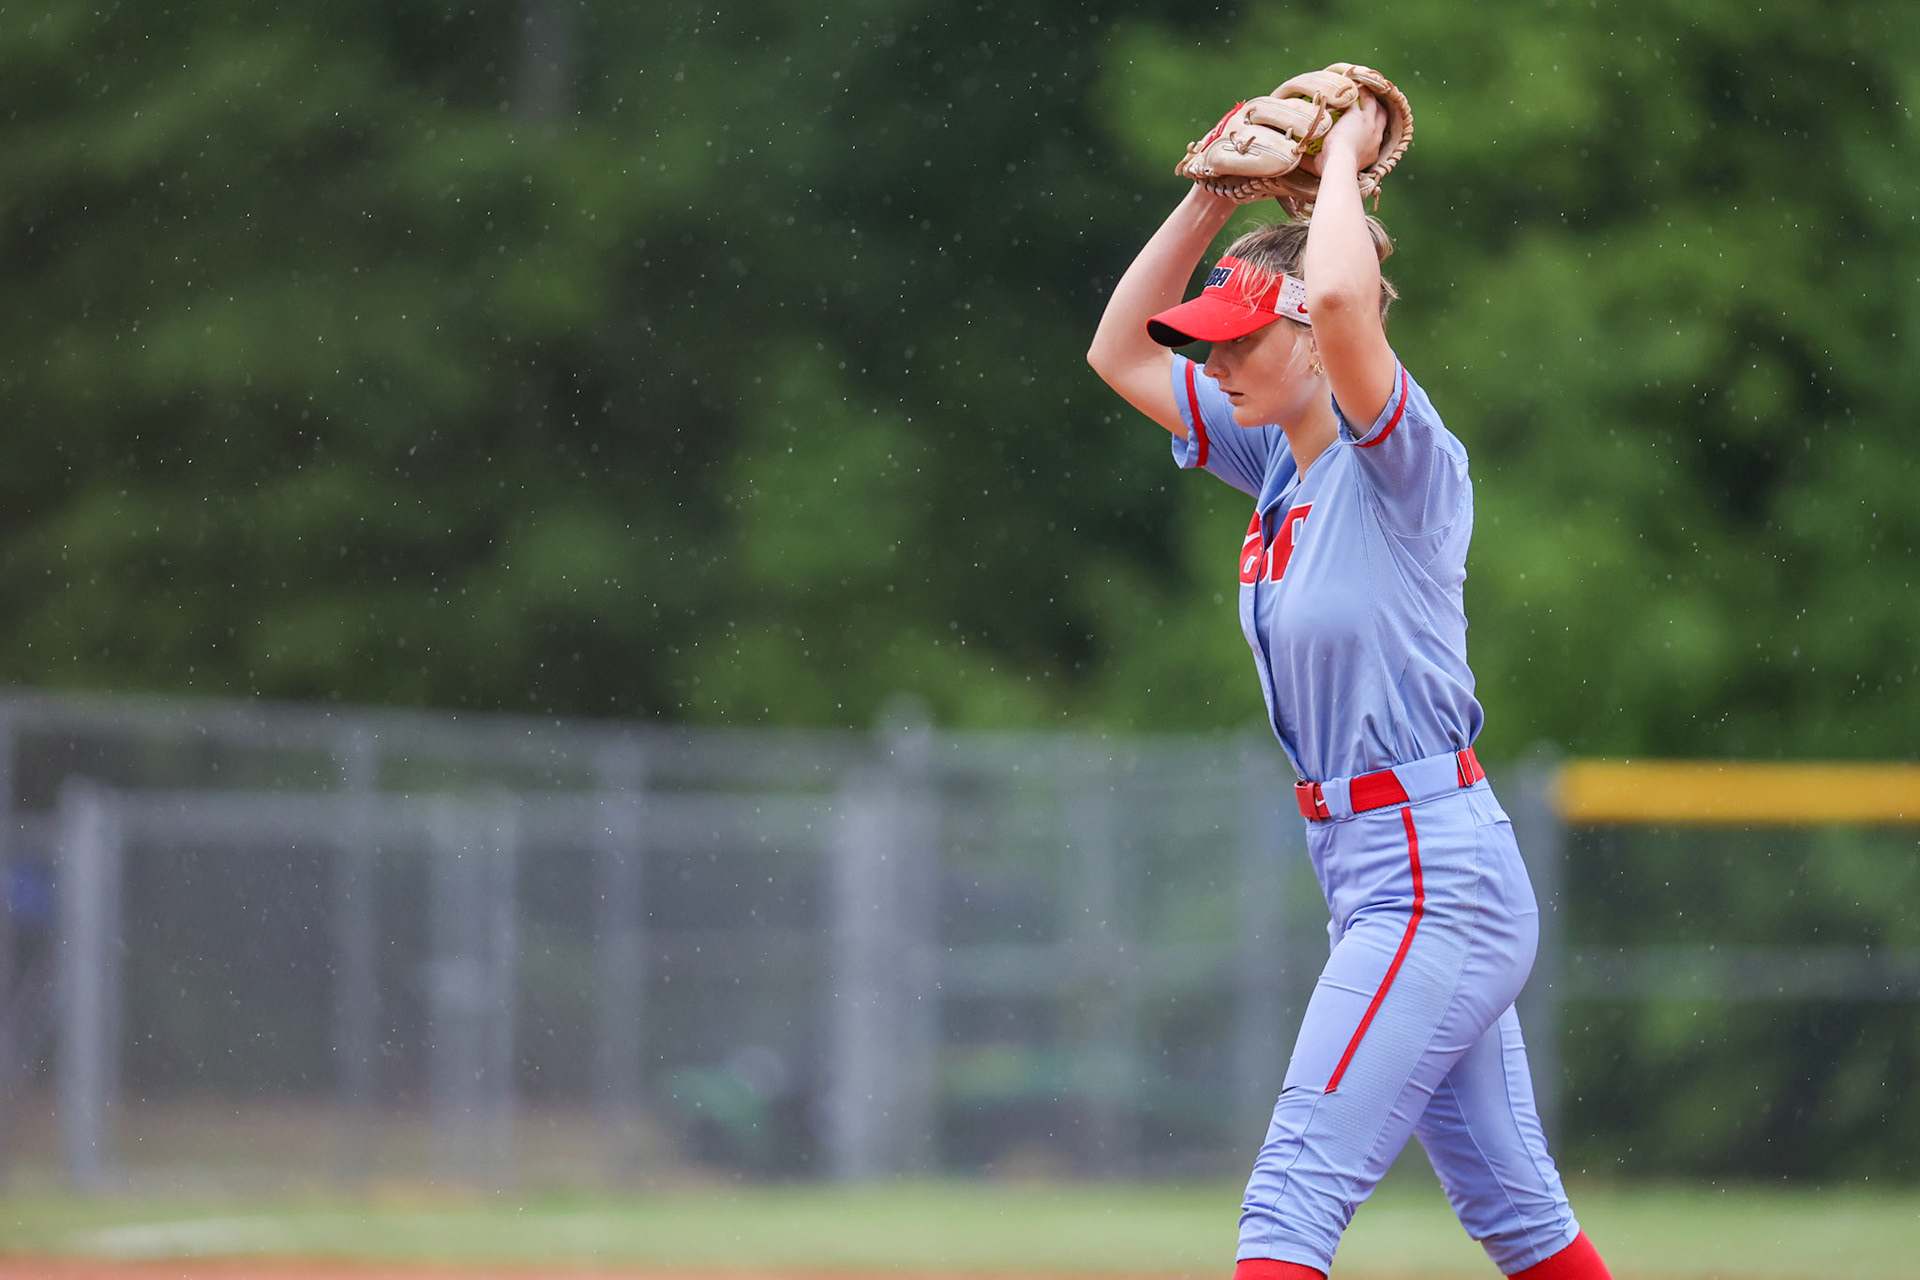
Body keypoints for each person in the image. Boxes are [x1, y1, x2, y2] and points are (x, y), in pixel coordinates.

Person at [1086, 91, 1613, 1280]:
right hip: (1376, 872)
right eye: (1215, 339)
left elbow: (1331, 294)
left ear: (1327, 340)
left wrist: (1339, 167)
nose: (1217, 359)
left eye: (1239, 336)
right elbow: (1119, 349)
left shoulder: (1404, 462)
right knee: (1520, 1216)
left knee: (1288, 1203)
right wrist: (1214, 198)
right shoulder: (1277, 455)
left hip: (1434, 873)